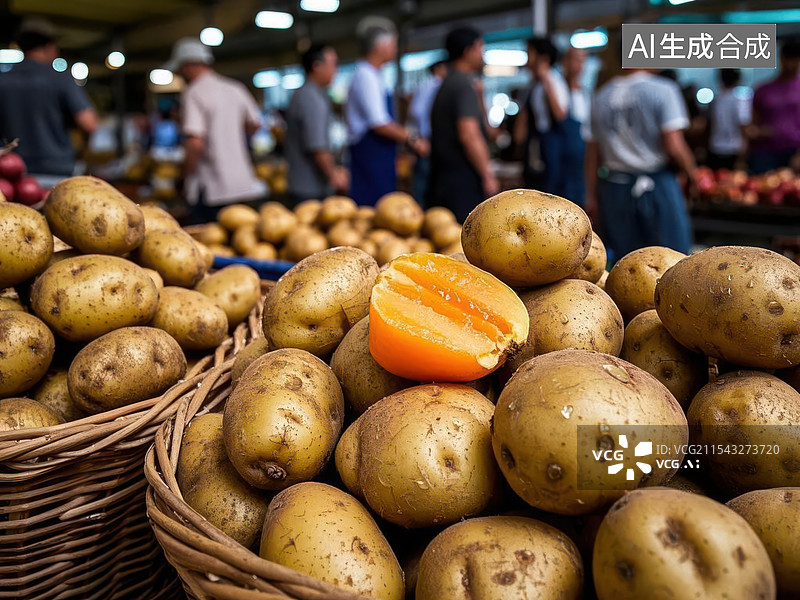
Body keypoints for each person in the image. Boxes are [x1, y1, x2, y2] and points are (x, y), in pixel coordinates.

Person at [586, 66, 696, 260]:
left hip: (615, 188)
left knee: (626, 263)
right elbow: (673, 144)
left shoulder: (601, 95)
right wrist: (692, 173)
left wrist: (591, 194)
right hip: (657, 186)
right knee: (672, 259)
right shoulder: (664, 89)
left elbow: (593, 152)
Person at [165, 38, 266, 224]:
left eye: (180, 71)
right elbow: (255, 124)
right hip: (242, 184)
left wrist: (182, 179)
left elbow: (195, 144)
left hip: (212, 189)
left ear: (188, 66)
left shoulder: (194, 92)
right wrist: (228, 131)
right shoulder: (235, 88)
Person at [0, 18, 97, 178]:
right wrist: (83, 149)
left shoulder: (3, 81)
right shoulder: (61, 80)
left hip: (12, 174)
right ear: (49, 46)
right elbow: (89, 123)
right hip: (56, 171)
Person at [346, 22, 428, 206]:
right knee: (373, 209)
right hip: (370, 156)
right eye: (393, 44)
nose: (395, 49)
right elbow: (379, 123)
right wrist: (413, 138)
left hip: (381, 156)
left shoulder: (377, 75)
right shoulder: (365, 76)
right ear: (380, 46)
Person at [428, 27, 498, 222]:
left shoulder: (449, 82)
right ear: (468, 51)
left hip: (443, 179)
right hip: (460, 182)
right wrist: (487, 175)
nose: (482, 53)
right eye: (480, 47)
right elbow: (469, 135)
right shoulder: (462, 85)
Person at [285, 44, 348, 205]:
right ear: (317, 66)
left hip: (308, 186)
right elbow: (317, 146)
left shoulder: (310, 95)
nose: (336, 70)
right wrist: (334, 174)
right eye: (333, 64)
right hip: (309, 189)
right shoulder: (311, 98)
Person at [530, 40, 588, 206]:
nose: (579, 65)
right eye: (575, 59)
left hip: (577, 160)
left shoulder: (584, 92)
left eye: (583, 60)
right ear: (564, 61)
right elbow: (559, 114)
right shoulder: (554, 83)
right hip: (556, 156)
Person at [747, 40, 800, 174]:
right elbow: (752, 123)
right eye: (788, 59)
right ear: (781, 58)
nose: (791, 64)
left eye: (795, 59)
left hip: (795, 150)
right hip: (766, 152)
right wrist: (755, 132)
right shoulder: (763, 90)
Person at [408, 60, 447, 205]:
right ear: (438, 68)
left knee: (424, 178)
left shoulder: (424, 85)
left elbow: (414, 112)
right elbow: (417, 112)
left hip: (425, 136)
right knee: (425, 179)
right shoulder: (434, 85)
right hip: (429, 138)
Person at [513, 38, 546, 189]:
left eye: (529, 53)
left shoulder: (548, 83)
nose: (527, 58)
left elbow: (560, 114)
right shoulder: (532, 86)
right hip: (537, 155)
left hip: (542, 155)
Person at [708, 69, 750, 171]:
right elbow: (743, 125)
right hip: (734, 149)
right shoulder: (740, 100)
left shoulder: (716, 100)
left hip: (715, 148)